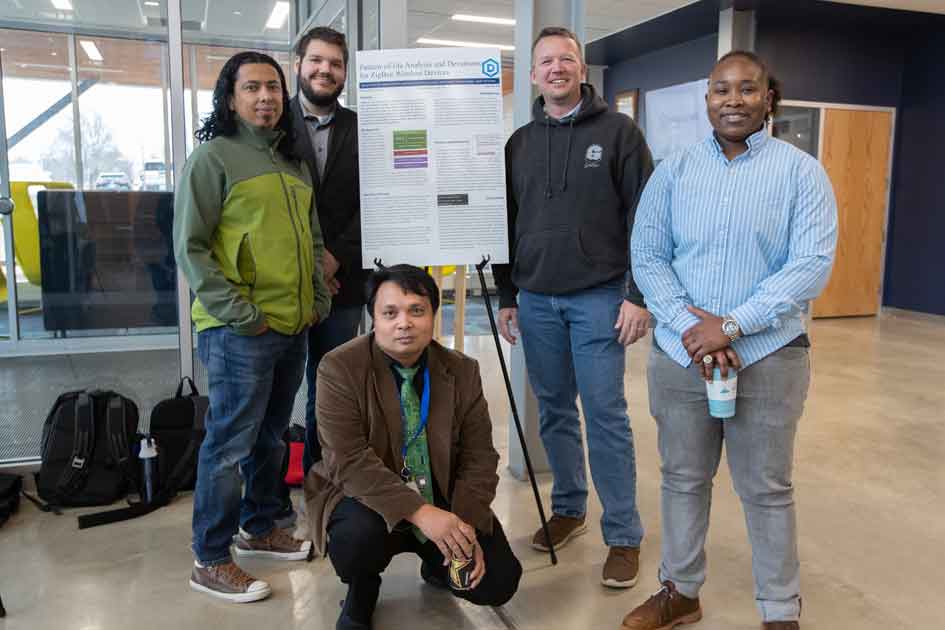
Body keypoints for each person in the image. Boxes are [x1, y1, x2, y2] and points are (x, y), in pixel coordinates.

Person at [622, 51, 838, 630]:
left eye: (748, 89)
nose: (734, 100)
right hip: (680, 354)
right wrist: (694, 328)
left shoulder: (801, 172)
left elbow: (811, 265)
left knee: (766, 488)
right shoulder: (673, 171)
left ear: (769, 97)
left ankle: (779, 610)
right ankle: (680, 591)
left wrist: (733, 323)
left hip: (769, 355)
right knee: (683, 479)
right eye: (722, 90)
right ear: (708, 99)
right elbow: (647, 255)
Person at [491, 26, 654, 589]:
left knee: (606, 415)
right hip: (535, 300)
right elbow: (503, 225)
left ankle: (624, 536)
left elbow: (645, 219)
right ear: (533, 75)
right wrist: (508, 296)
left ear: (582, 70)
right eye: (546, 61)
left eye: (567, 59)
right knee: (555, 410)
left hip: (600, 299)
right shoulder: (519, 143)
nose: (556, 68)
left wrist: (638, 295)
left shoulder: (619, 134)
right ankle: (568, 507)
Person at [173, 51, 332, 603]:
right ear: (230, 97)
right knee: (228, 440)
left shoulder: (292, 162)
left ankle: (261, 524)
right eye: (251, 88)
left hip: (290, 323)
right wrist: (243, 313)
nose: (265, 97)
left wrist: (315, 299)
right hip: (238, 326)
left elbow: (310, 241)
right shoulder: (212, 159)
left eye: (273, 88)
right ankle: (211, 557)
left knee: (268, 434)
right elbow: (190, 250)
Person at [305, 264, 522, 630]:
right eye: (390, 313)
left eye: (416, 310)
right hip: (366, 500)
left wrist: (462, 528)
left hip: (442, 496)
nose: (403, 322)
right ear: (373, 317)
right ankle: (363, 584)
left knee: (498, 581)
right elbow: (348, 461)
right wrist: (421, 513)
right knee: (356, 541)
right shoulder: (339, 367)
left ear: (433, 315)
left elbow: (480, 456)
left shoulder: (461, 370)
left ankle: (436, 561)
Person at [289, 26, 367, 475]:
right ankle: (271, 490)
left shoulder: (363, 128)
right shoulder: (273, 124)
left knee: (330, 383)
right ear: (297, 64)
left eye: (336, 64)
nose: (326, 69)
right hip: (281, 284)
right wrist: (306, 263)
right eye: (317, 60)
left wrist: (334, 256)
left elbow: (375, 200)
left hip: (343, 280)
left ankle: (323, 476)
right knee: (277, 389)